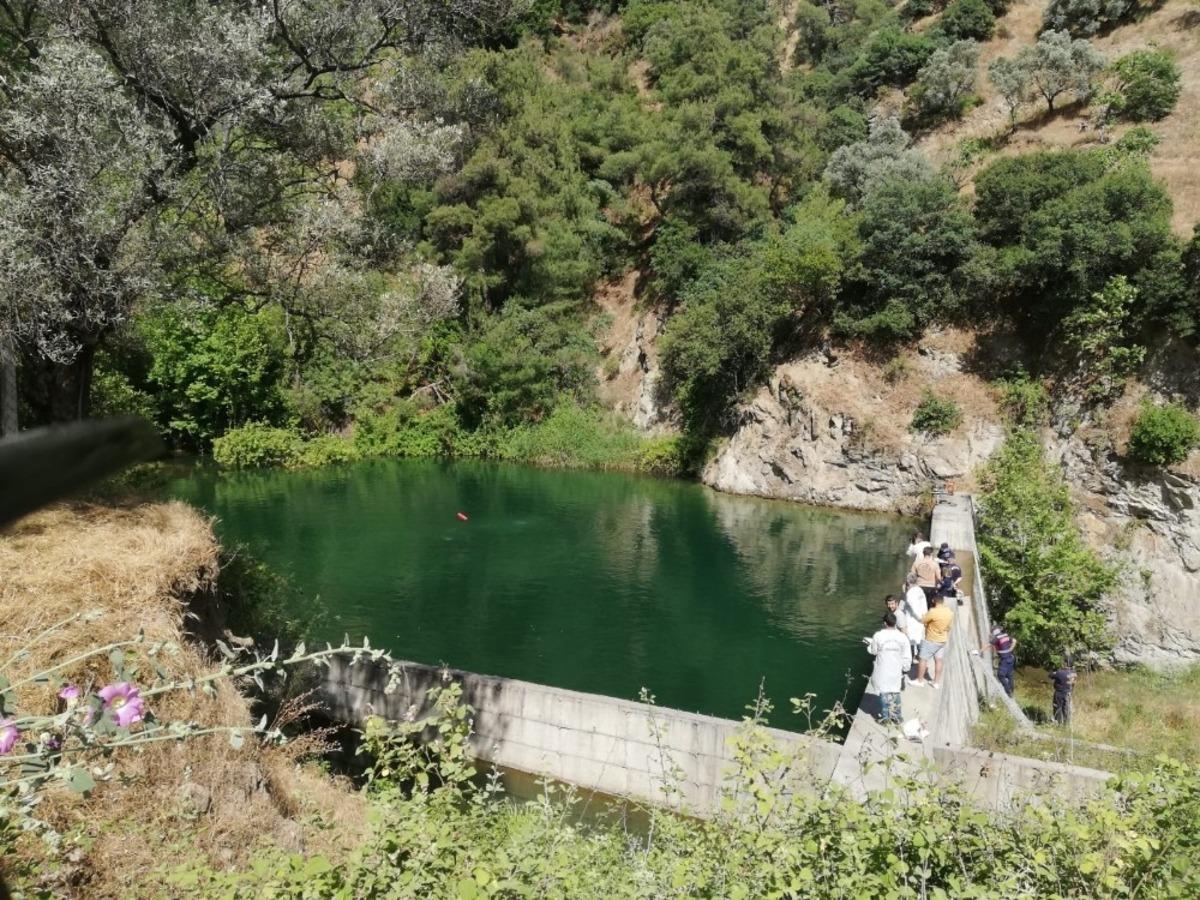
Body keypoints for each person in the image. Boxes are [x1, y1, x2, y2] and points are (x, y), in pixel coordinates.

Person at [868, 612, 912, 725]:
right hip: (896, 670)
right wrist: (905, 668)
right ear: (895, 623)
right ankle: (897, 717)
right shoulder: (903, 637)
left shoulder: (878, 636)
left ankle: (885, 718)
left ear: (884, 623)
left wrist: (869, 646)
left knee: (884, 692)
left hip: (883, 669)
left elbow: (873, 651)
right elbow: (907, 655)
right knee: (895, 691)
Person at [910, 594, 953, 689]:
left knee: (923, 659)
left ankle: (920, 680)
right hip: (942, 640)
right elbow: (949, 627)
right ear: (943, 601)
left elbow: (922, 620)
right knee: (939, 660)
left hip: (931, 640)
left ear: (934, 601)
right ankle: (936, 682)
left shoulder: (933, 611)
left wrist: (923, 616)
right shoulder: (949, 612)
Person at [982, 625, 1017, 696]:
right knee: (1009, 675)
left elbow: (988, 645)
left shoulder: (996, 638)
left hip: (1004, 660)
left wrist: (980, 651)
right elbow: (1014, 641)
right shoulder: (1005, 636)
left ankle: (1008, 692)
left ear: (994, 632)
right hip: (1011, 658)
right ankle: (1011, 691)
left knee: (1000, 675)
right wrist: (1010, 649)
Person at [902, 573, 927, 659]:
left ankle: (911, 658)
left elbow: (914, 608)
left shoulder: (910, 594)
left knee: (911, 639)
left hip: (913, 620)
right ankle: (920, 656)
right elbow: (924, 604)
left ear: (908, 581)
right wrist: (924, 616)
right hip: (922, 617)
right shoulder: (920, 590)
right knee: (920, 638)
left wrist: (919, 619)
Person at [1050, 657, 1077, 725]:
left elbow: (1050, 675)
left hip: (1059, 693)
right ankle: (1066, 724)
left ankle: (1058, 723)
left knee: (1057, 708)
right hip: (1068, 693)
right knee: (1066, 710)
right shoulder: (1074, 673)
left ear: (1065, 663)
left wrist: (1055, 670)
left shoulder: (1060, 672)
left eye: (1063, 662)